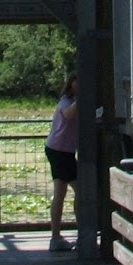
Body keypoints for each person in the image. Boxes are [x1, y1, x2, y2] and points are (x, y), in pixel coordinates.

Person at [45, 71, 79, 251]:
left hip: (62, 150)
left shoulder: (72, 101)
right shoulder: (66, 101)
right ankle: (82, 234)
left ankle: (56, 237)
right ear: (71, 83)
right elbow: (67, 115)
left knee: (60, 193)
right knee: (80, 191)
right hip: (59, 151)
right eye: (77, 81)